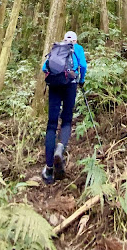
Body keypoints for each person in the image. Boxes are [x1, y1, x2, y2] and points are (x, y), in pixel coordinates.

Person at [41, 30, 87, 184]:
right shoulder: (77, 48)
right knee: (67, 120)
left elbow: (44, 68)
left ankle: (48, 169)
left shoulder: (57, 48)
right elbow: (83, 66)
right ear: (75, 40)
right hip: (70, 85)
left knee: (51, 125)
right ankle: (60, 148)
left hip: (54, 85)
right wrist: (81, 80)